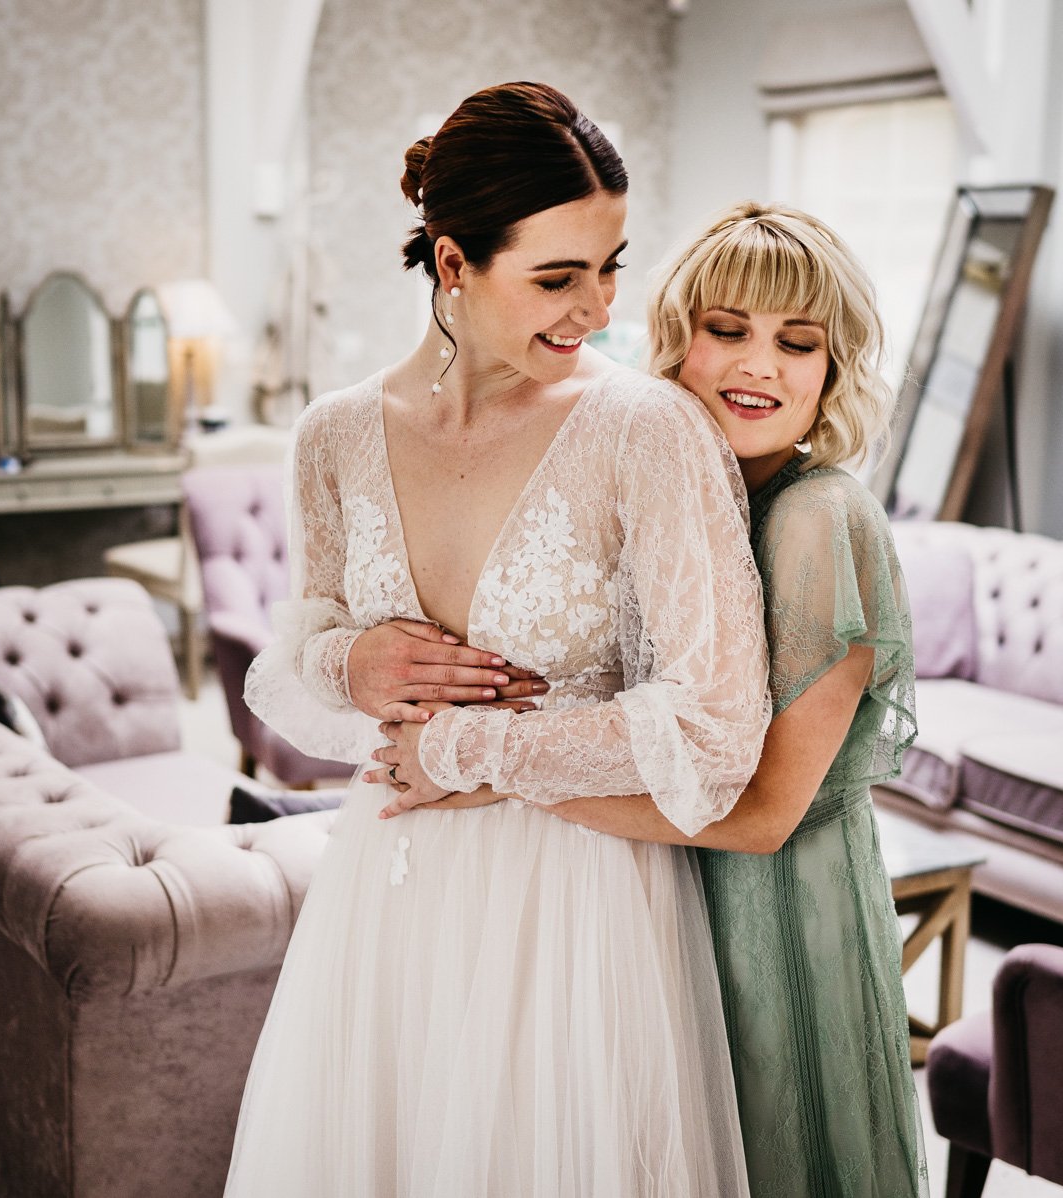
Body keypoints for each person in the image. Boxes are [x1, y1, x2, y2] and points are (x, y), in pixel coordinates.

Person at [226, 82, 769, 1196]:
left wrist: (473, 752)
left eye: (613, 264)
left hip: (578, 909)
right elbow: (284, 669)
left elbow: (717, 724)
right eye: (558, 277)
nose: (599, 308)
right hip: (387, 895)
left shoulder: (647, 431)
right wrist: (351, 662)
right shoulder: (334, 435)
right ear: (453, 264)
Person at [372, 201, 928, 1196]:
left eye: (797, 344)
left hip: (782, 919)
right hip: (668, 900)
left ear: (831, 371)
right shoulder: (676, 491)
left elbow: (760, 816)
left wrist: (495, 775)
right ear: (679, 344)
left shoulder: (815, 519)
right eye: (729, 331)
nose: (761, 365)